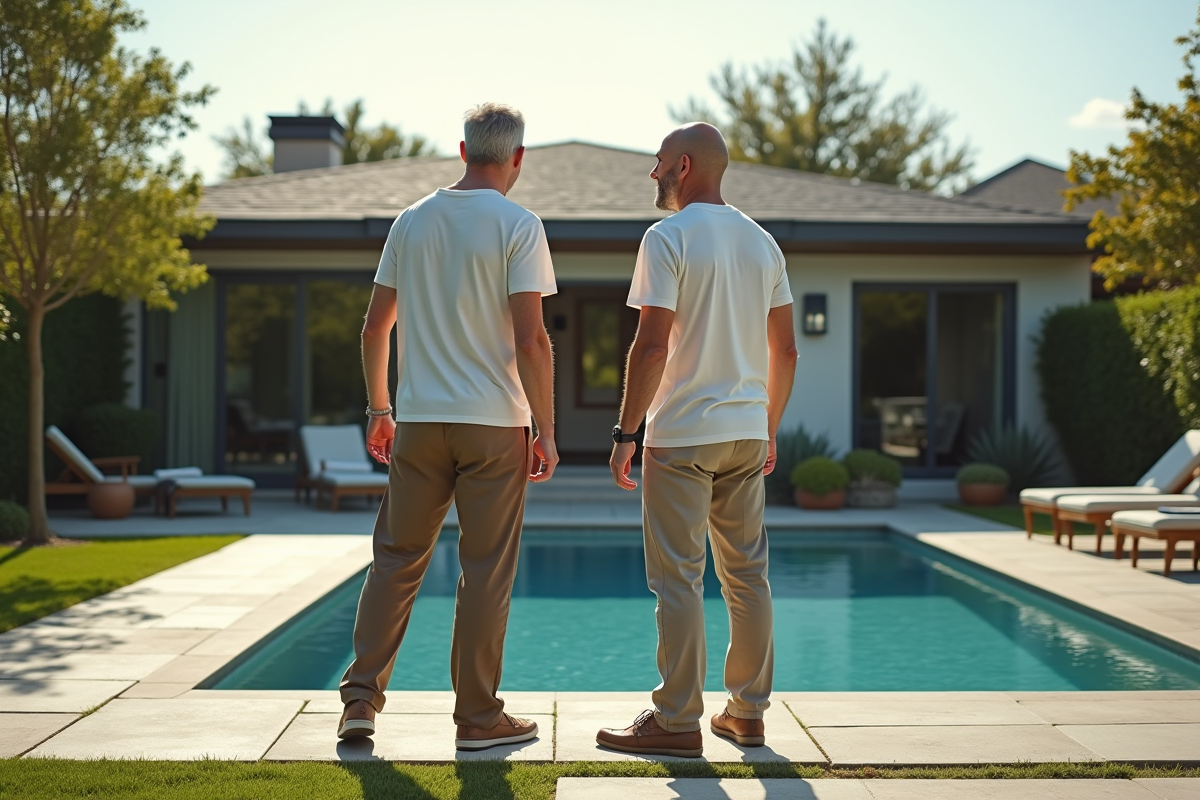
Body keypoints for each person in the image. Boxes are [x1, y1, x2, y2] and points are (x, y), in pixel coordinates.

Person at [337, 103, 559, 752]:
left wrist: (380, 409)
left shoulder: (411, 222)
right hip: (494, 426)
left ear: (462, 152)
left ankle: (359, 704)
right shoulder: (520, 225)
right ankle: (478, 719)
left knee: (396, 561)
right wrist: (545, 429)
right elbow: (532, 339)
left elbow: (375, 327)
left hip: (420, 423)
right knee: (485, 570)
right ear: (517, 158)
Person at [597, 123, 798, 758]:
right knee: (748, 578)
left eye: (658, 164)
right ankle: (747, 714)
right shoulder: (763, 243)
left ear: (683, 166)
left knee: (679, 579)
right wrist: (768, 425)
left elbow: (651, 344)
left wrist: (627, 432)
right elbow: (785, 349)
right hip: (744, 432)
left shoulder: (667, 237)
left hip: (682, 434)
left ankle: (678, 721)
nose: (652, 174)